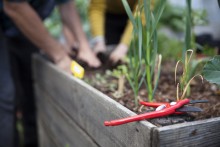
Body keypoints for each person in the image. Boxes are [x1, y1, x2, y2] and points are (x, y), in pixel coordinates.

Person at [0, 0, 101, 147]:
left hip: (22, 23)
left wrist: (84, 46)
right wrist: (59, 55)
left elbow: (66, 4)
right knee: (6, 96)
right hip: (14, 14)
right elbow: (14, 6)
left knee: (32, 87)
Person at [88, 0, 154, 64]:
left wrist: (124, 46)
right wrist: (99, 41)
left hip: (133, 14)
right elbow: (96, 8)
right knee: (108, 52)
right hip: (109, 15)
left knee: (129, 53)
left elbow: (142, 12)